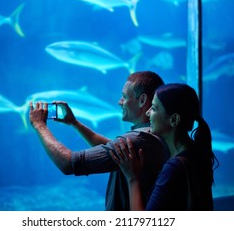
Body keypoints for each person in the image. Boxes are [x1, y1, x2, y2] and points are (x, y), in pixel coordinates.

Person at [29, 71, 169, 210]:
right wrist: (75, 123)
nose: (119, 102)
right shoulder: (154, 134)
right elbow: (111, 147)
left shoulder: (137, 139)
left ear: (143, 100)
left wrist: (39, 125)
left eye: (124, 96)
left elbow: (67, 163)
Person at [110, 83, 218, 211]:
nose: (148, 112)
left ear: (174, 119)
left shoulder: (173, 168)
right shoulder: (197, 154)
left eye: (154, 108)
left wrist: (133, 178)